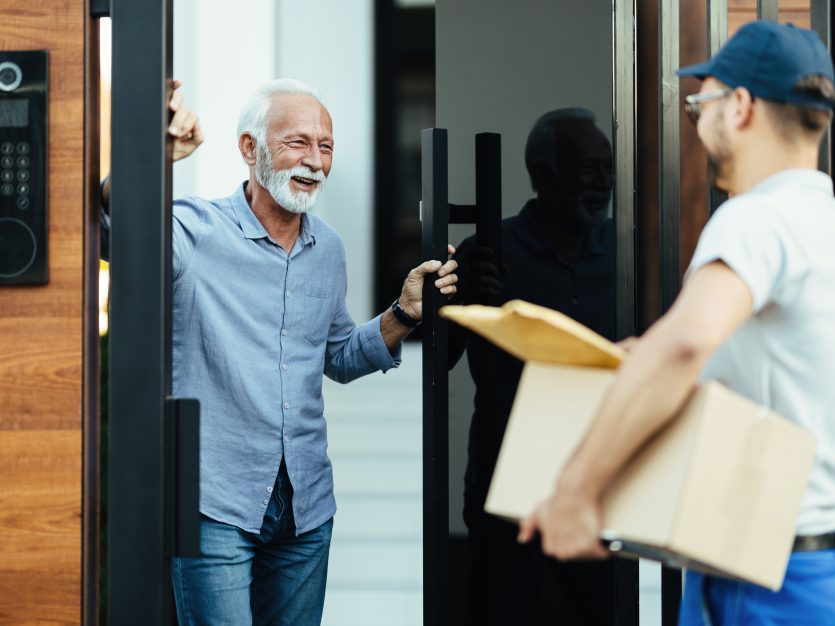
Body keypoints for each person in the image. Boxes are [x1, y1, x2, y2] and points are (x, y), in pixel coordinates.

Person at [105, 78, 458, 625]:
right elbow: (115, 226)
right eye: (298, 142)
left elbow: (339, 355)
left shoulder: (328, 248)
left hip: (305, 506)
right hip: (212, 501)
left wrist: (405, 312)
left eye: (326, 146)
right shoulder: (194, 230)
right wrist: (150, 153)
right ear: (250, 149)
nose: (315, 161)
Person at [518, 21, 835, 625]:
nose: (696, 118)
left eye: (701, 101)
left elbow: (686, 344)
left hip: (758, 573)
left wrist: (577, 489)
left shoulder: (756, 220)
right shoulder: (821, 221)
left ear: (740, 105)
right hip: (815, 560)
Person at [449, 108, 616, 625]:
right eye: (589, 168)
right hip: (508, 474)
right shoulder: (490, 253)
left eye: (608, 168)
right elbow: (440, 361)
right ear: (543, 175)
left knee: (608, 611)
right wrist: (460, 300)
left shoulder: (625, 250)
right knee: (502, 612)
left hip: (599, 472)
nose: (605, 183)